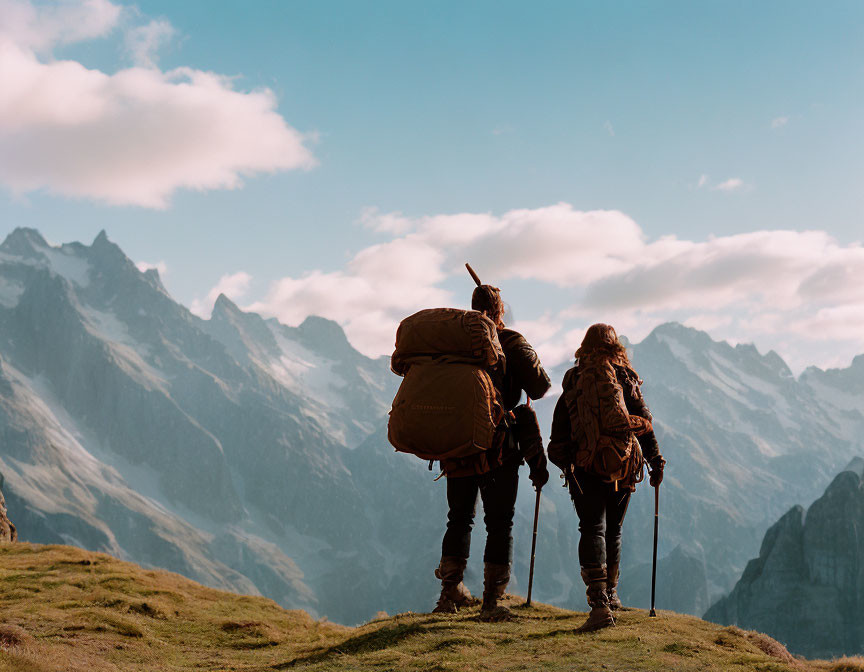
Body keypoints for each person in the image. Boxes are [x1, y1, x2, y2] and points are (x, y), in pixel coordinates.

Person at [432, 284, 551, 621]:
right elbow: (540, 386)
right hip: (499, 446)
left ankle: (449, 593)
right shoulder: (510, 341)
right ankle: (491, 602)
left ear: (471, 308)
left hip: (458, 445)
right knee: (499, 523)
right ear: (500, 312)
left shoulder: (456, 343)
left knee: (459, 518)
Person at [547, 323, 665, 632]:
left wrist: (567, 464)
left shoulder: (575, 379)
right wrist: (656, 462)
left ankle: (598, 604)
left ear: (584, 347)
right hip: (623, 468)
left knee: (591, 529)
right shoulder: (625, 378)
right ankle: (612, 595)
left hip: (585, 469)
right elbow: (646, 423)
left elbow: (558, 434)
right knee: (613, 530)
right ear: (616, 348)